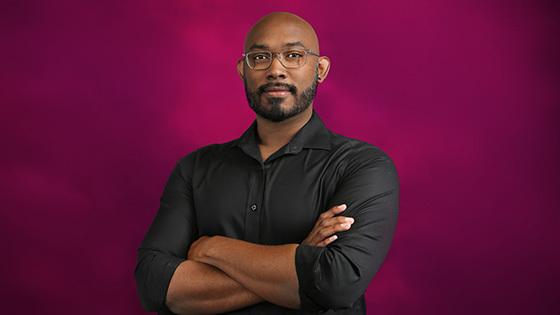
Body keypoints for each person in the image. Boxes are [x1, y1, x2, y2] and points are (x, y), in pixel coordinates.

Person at [134, 11, 399, 315]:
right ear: (242, 70)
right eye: (260, 57)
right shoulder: (195, 169)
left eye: (294, 55)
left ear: (321, 69)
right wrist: (301, 257)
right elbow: (153, 286)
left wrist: (212, 249)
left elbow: (335, 283)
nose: (276, 70)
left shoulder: (363, 166)